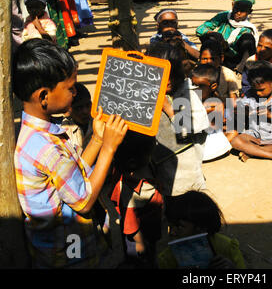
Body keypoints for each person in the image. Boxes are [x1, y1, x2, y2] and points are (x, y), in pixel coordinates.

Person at [12, 38, 128, 268]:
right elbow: (83, 201)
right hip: (69, 255)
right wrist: (108, 148)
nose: (75, 93)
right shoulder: (46, 149)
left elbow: (72, 175)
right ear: (44, 96)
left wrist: (96, 139)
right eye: (70, 88)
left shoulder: (39, 135)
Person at [146, 42, 210, 197]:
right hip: (160, 164)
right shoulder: (149, 93)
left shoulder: (187, 94)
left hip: (187, 167)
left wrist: (169, 109)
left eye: (171, 76)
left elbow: (197, 125)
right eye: (159, 76)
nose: (167, 81)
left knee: (189, 201)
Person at [229, 60, 272, 167]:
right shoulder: (250, 94)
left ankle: (253, 152)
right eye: (255, 89)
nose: (258, 93)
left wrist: (270, 115)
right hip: (254, 135)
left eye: (261, 90)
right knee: (235, 142)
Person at [108, 131, 163, 267]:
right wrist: (139, 243)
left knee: (151, 254)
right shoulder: (129, 191)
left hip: (150, 225)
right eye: (149, 154)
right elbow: (130, 223)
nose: (151, 157)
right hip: (137, 236)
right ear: (133, 162)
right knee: (139, 262)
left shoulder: (140, 168)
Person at [157, 190, 246, 269]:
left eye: (179, 226)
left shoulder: (226, 248)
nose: (172, 232)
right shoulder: (169, 257)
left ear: (201, 228)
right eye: (170, 226)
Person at [196, 0, 259, 73]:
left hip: (232, 58)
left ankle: (241, 67)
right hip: (216, 52)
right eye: (236, 9)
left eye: (243, 11)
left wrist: (225, 47)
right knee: (210, 37)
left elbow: (235, 53)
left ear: (249, 11)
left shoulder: (247, 29)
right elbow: (200, 29)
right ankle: (208, 61)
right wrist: (210, 33)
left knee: (248, 39)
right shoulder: (224, 16)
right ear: (232, 5)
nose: (238, 13)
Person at [190, 63, 233, 161]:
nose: (196, 89)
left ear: (213, 86)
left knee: (232, 131)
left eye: (200, 86)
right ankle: (222, 149)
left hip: (206, 136)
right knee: (232, 133)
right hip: (199, 141)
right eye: (193, 85)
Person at [198, 39, 240, 105]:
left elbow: (233, 103)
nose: (209, 62)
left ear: (221, 58)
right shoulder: (194, 75)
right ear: (199, 58)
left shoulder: (228, 75)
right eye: (205, 59)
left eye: (213, 59)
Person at [60, 82, 93, 150]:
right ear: (68, 109)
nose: (85, 111)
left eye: (88, 105)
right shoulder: (63, 131)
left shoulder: (99, 125)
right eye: (79, 108)